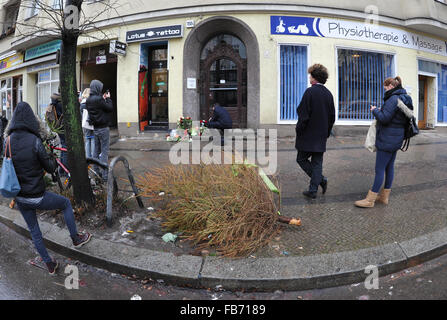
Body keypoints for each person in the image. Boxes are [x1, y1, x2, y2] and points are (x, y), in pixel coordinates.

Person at [5, 102, 91, 275]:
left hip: (20, 197)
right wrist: (50, 156)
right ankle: (76, 238)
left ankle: (50, 264)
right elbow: (52, 168)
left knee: (34, 231)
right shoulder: (35, 141)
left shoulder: (7, 141)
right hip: (37, 195)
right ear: (31, 120)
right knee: (65, 203)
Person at [355, 76, 413, 208]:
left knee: (379, 169)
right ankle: (384, 197)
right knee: (389, 167)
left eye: (385, 87)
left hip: (387, 139)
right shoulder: (404, 98)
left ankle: (370, 200)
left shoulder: (392, 99)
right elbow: (397, 118)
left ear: (391, 86)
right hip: (397, 138)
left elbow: (385, 119)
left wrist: (375, 110)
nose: (385, 90)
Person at [295, 64, 335, 199]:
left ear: (315, 78)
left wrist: (299, 130)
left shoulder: (310, 92)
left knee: (301, 159)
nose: (309, 78)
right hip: (321, 135)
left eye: (310, 76)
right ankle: (314, 188)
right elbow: (332, 117)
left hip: (307, 135)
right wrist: (327, 132)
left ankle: (320, 182)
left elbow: (303, 114)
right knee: (317, 163)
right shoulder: (328, 94)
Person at [86, 80, 113, 181]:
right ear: (97, 88)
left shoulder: (89, 100)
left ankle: (96, 172)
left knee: (95, 151)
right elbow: (109, 108)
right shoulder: (99, 99)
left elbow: (99, 108)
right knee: (104, 152)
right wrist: (108, 99)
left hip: (95, 128)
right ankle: (105, 176)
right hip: (104, 128)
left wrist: (103, 99)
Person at [50, 92, 67, 175]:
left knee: (63, 146)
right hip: (63, 128)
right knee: (65, 148)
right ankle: (64, 170)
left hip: (58, 127)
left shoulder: (53, 103)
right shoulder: (60, 104)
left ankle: (61, 170)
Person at [80, 88, 95, 158]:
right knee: (93, 139)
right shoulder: (91, 103)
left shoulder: (82, 104)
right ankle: (93, 156)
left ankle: (88, 157)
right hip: (91, 124)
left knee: (87, 140)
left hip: (84, 125)